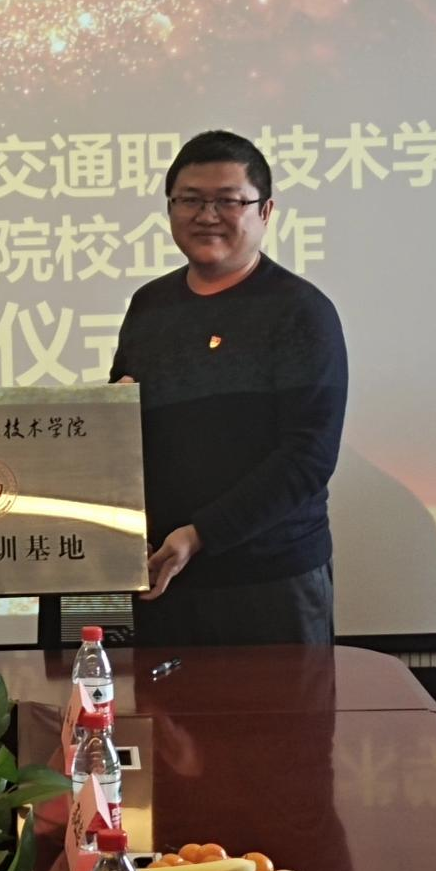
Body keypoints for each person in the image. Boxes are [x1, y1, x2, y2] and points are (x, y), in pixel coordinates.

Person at [112, 129, 348, 645]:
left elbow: (308, 457)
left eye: (228, 201)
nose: (207, 215)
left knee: (281, 704)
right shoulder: (149, 307)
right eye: (190, 200)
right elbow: (122, 438)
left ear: (265, 211)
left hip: (271, 580)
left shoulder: (300, 312)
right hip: (165, 574)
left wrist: (201, 534)